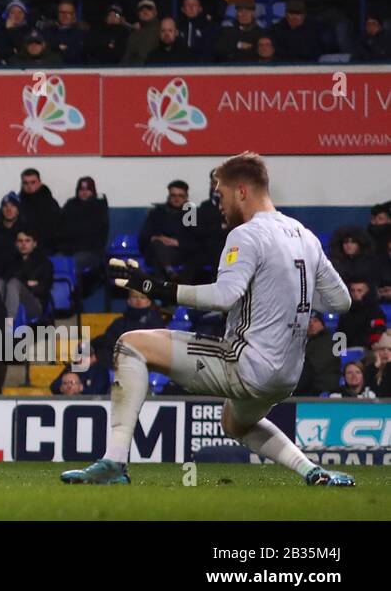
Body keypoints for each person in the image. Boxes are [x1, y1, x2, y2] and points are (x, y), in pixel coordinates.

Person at [63, 152, 355, 487]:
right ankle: (314, 473)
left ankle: (113, 462)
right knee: (235, 424)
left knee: (130, 344)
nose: (219, 203)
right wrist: (288, 297)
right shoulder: (304, 235)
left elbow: (223, 297)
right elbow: (341, 301)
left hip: (248, 364)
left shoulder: (247, 234)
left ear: (241, 191)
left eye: (221, 194)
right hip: (287, 374)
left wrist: (152, 287)